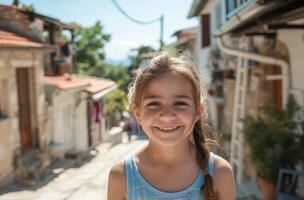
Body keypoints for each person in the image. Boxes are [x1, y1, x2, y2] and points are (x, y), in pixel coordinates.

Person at [107, 52, 236, 200]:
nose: (167, 115)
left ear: (199, 111)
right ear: (138, 113)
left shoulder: (220, 173)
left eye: (180, 103)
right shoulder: (122, 176)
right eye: (154, 104)